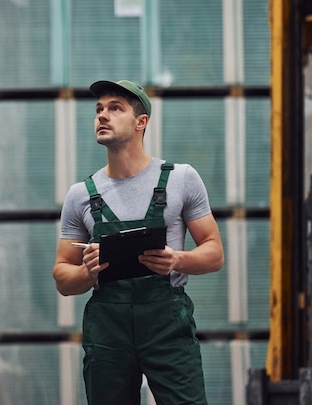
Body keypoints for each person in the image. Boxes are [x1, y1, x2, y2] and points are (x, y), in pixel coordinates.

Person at [53, 80, 224, 405]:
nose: (103, 115)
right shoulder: (80, 196)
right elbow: (62, 276)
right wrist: (87, 273)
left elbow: (214, 252)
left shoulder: (181, 179)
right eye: (99, 109)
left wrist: (177, 260)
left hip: (166, 325)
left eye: (115, 108)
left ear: (141, 122)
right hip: (108, 327)